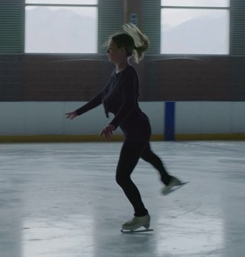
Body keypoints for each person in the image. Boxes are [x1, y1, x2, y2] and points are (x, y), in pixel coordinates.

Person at [65, 23, 182, 232]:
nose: (107, 51)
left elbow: (129, 103)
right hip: (134, 128)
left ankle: (141, 215)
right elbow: (102, 96)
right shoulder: (116, 73)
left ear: (122, 51)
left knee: (122, 176)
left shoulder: (129, 74)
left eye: (111, 48)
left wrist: (112, 124)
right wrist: (79, 111)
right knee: (146, 154)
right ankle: (169, 179)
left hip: (137, 128)